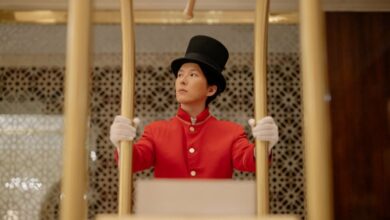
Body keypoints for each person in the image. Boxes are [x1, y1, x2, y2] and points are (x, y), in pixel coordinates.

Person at [110, 35, 278, 178]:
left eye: (192, 74)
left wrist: (264, 145)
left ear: (211, 89)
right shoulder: (155, 131)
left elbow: (250, 161)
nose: (182, 80)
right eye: (180, 74)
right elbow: (134, 162)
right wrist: (121, 143)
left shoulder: (231, 133)